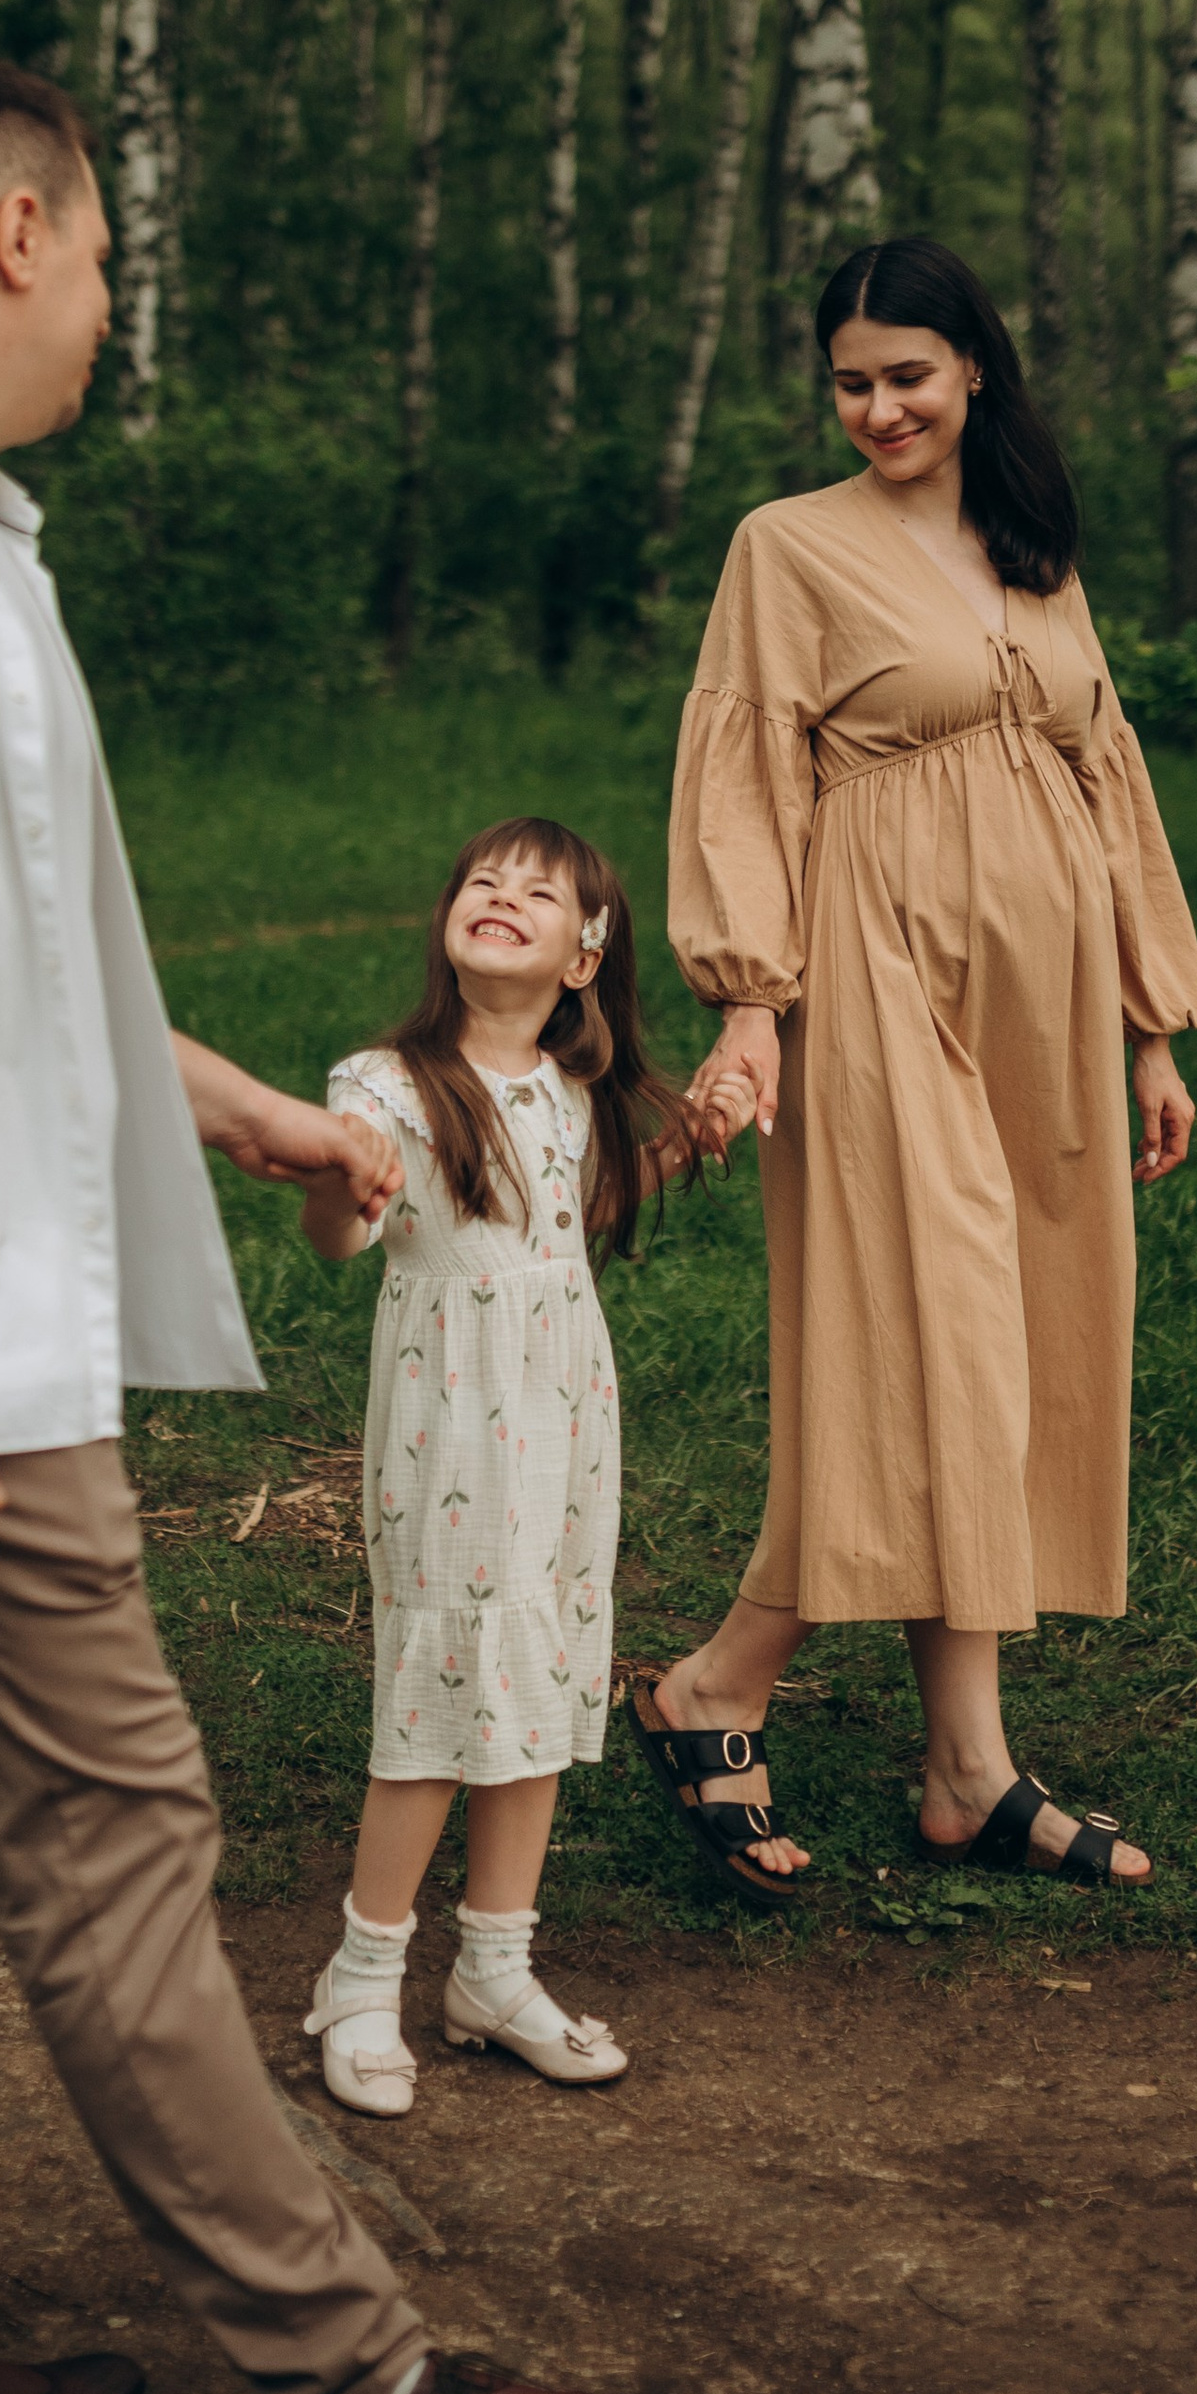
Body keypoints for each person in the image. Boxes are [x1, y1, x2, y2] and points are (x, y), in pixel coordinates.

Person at [0, 52, 704, 2394]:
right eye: (102, 255)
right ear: (14, 233)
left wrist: (244, 1109)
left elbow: (2, 960)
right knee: (119, 1843)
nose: (110, 302)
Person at [628, 236, 1197, 1903]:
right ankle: (716, 1685)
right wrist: (752, 1004)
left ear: (974, 374)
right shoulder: (787, 547)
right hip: (877, 970)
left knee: (1018, 1334)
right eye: (852, 381)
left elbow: (1112, 773)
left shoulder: (1031, 541)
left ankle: (968, 1766)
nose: (879, 406)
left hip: (1049, 1000)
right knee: (926, 1324)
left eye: (909, 375)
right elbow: (741, 764)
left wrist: (1150, 1021)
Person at [293, 821, 703, 2115]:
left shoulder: (571, 1095)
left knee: (538, 1667)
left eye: (540, 892)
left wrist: (705, 1133)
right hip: (452, 1424)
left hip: (565, 1419)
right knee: (439, 1681)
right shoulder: (383, 1084)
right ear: (448, 923)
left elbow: (564, 1222)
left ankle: (494, 1967)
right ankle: (360, 1981)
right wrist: (332, 1175)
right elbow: (336, 1244)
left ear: (586, 956)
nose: (502, 897)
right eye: (484, 881)